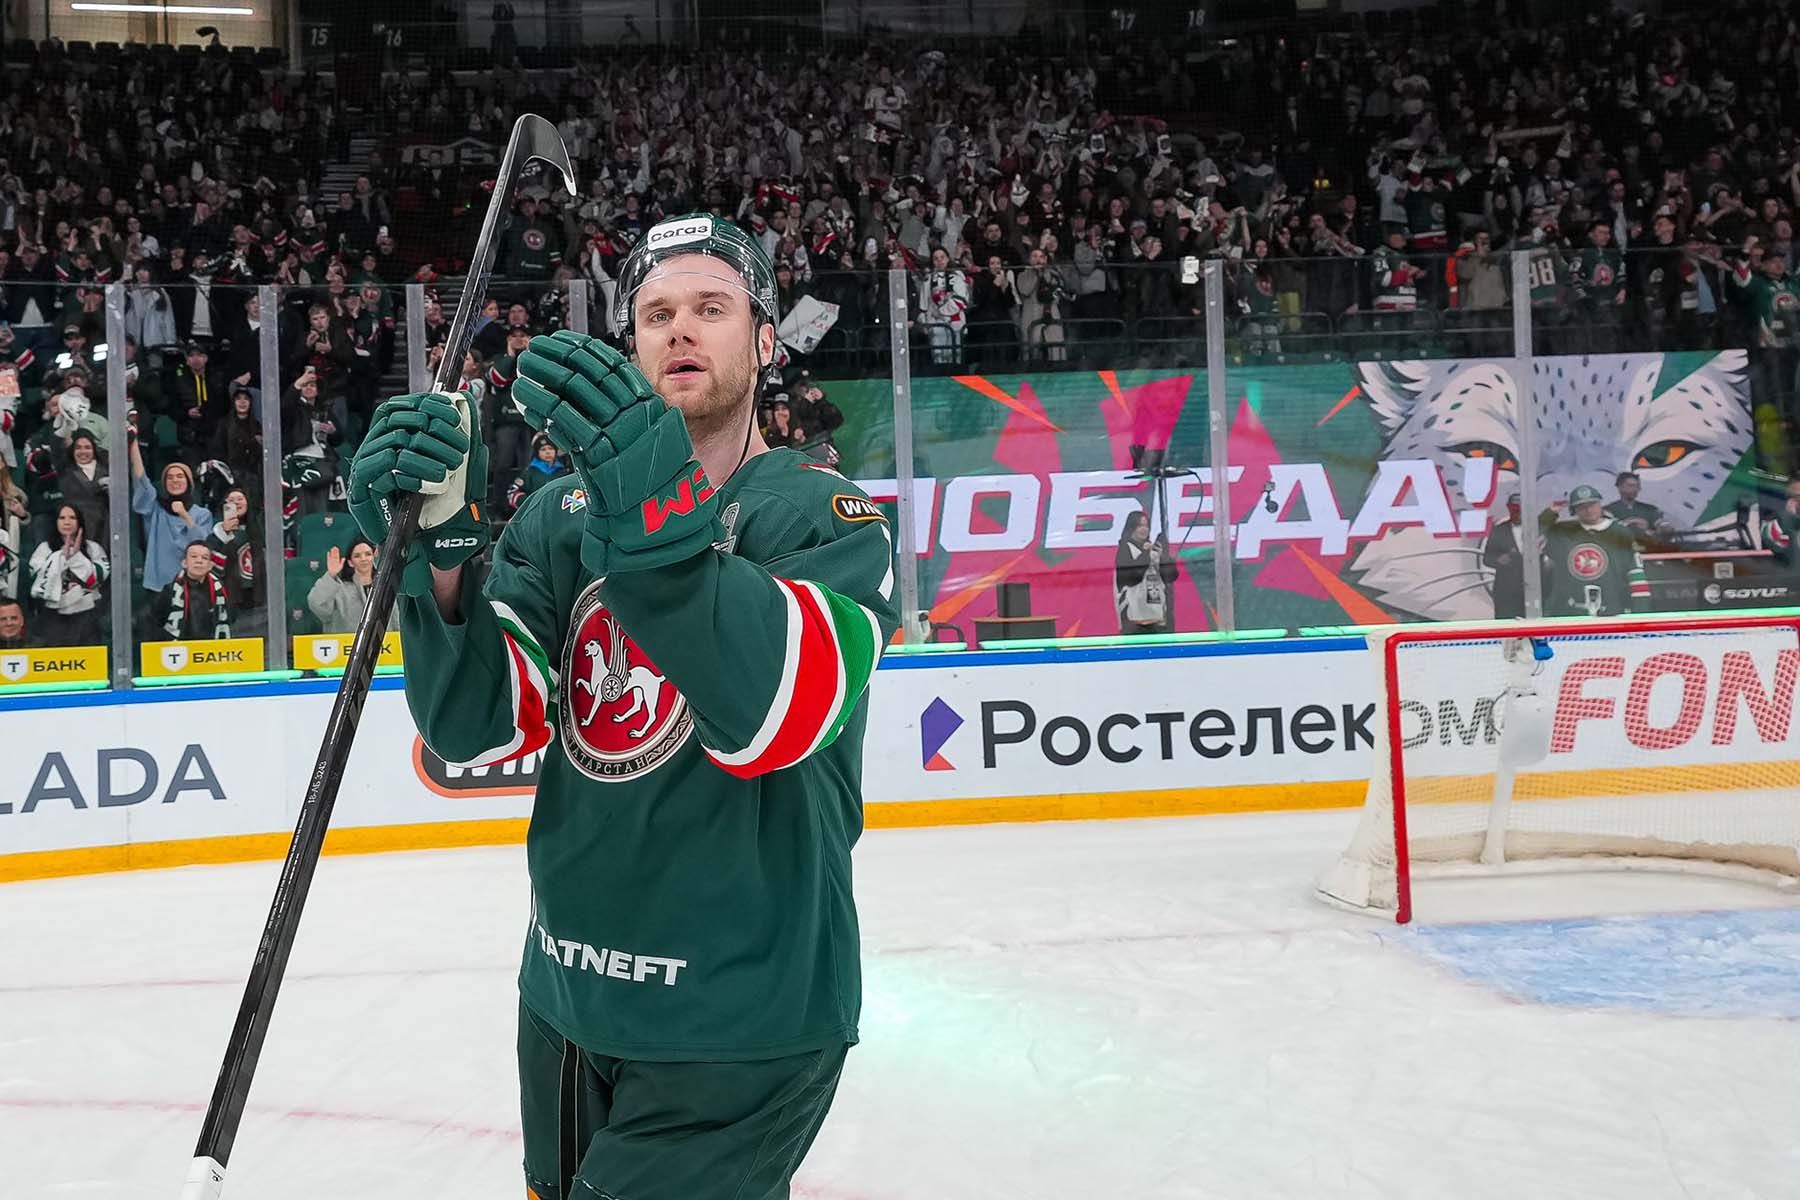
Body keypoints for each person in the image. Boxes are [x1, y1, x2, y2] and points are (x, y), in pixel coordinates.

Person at [347, 213, 897, 1200]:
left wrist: (648, 501)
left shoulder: (823, 516)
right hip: (566, 995)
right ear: (631, 348)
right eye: (656, 314)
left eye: (712, 308)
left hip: (740, 1017)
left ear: (766, 343)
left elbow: (771, 717)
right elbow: (477, 722)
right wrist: (437, 557)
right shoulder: (560, 518)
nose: (680, 328)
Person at [1543, 484, 1646, 618]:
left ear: (1600, 505)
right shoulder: (1563, 532)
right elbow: (1530, 536)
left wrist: (1641, 612)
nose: (1588, 510)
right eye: (1582, 506)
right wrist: (1550, 513)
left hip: (1613, 611)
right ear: (1574, 510)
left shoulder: (1620, 532)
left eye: (1592, 504)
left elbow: (1635, 573)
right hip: (1570, 613)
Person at [130, 439, 214, 595]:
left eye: (180, 476)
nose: (175, 480)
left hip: (191, 587)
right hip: (159, 587)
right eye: (170, 477)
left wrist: (184, 515)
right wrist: (133, 445)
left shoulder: (202, 514)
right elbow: (141, 481)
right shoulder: (156, 509)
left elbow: (201, 544)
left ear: (188, 482)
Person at [27, 502, 108, 646]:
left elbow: (97, 579)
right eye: (62, 518)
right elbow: (37, 584)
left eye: (72, 517)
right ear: (55, 522)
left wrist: (76, 558)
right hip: (53, 617)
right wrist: (60, 557)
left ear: (79, 522)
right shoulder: (44, 549)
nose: (67, 522)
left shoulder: (93, 548)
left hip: (87, 616)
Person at [207, 488, 264, 639]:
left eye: (240, 499)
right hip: (231, 598)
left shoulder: (261, 525)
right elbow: (212, 566)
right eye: (231, 500)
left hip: (259, 596)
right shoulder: (216, 533)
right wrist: (223, 534)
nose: (236, 503)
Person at [153, 540, 232, 641]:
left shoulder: (221, 590)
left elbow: (231, 617)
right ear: (184, 563)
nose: (199, 561)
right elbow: (156, 621)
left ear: (210, 566)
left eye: (204, 558)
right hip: (179, 647)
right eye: (194, 556)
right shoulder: (170, 590)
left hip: (211, 647)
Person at [1114, 510, 1177, 634]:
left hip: (1158, 618)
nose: (1144, 529)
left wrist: (1164, 557)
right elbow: (1132, 578)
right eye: (1139, 526)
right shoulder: (1125, 549)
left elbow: (1171, 577)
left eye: (1146, 525)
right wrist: (1145, 554)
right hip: (1134, 620)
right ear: (1131, 528)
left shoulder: (1153, 550)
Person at [307, 536, 377, 634]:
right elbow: (316, 604)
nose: (363, 559)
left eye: (368, 554)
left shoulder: (386, 589)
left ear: (375, 558)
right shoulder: (338, 590)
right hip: (345, 643)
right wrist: (331, 575)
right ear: (350, 562)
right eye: (357, 556)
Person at [1481, 494, 1532, 619]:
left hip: (1532, 592)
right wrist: (1499, 560)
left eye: (1520, 508)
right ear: (1508, 508)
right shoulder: (1499, 530)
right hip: (1506, 593)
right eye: (1514, 508)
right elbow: (1487, 559)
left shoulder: (1536, 529)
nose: (1517, 512)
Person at [506, 432, 571, 514]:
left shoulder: (563, 472)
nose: (547, 452)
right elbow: (512, 492)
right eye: (543, 449)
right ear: (537, 452)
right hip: (534, 514)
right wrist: (527, 504)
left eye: (551, 448)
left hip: (559, 513)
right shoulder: (529, 472)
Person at [1605, 472, 1668, 540]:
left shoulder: (1650, 509)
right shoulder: (1608, 510)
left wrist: (1664, 529)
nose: (1635, 489)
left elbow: (1664, 527)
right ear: (1620, 487)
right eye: (1631, 485)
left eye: (1637, 486)